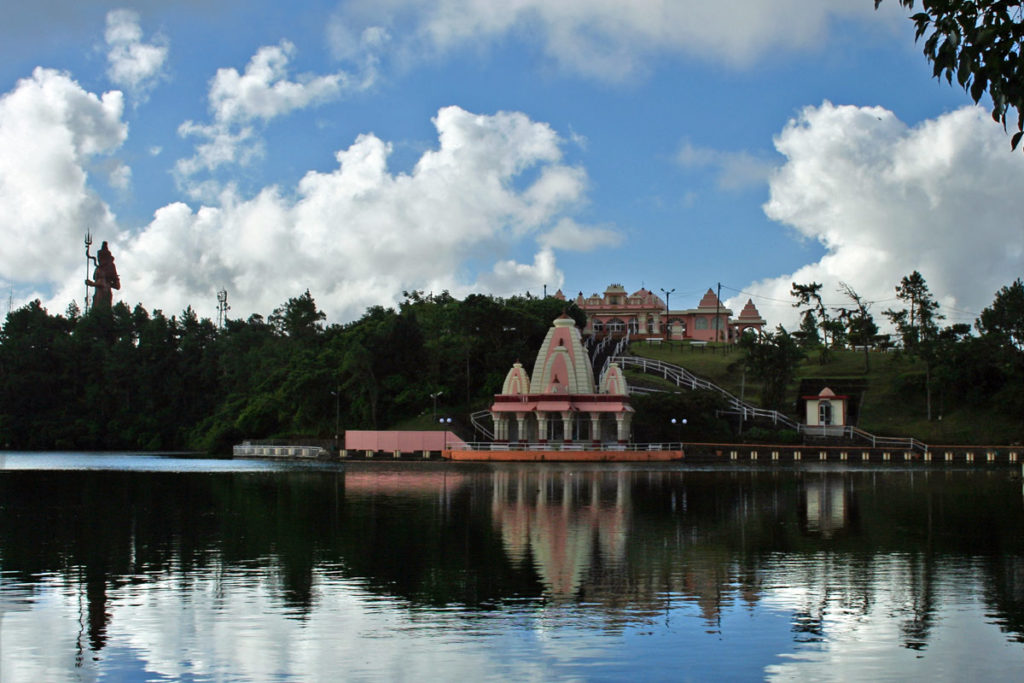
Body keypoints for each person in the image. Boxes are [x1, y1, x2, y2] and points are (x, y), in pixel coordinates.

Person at [85, 241, 120, 309]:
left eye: (100, 257)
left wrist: (93, 283)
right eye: (98, 257)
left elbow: (117, 286)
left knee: (103, 309)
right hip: (97, 294)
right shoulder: (98, 268)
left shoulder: (110, 266)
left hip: (105, 293)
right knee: (95, 310)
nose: (99, 258)